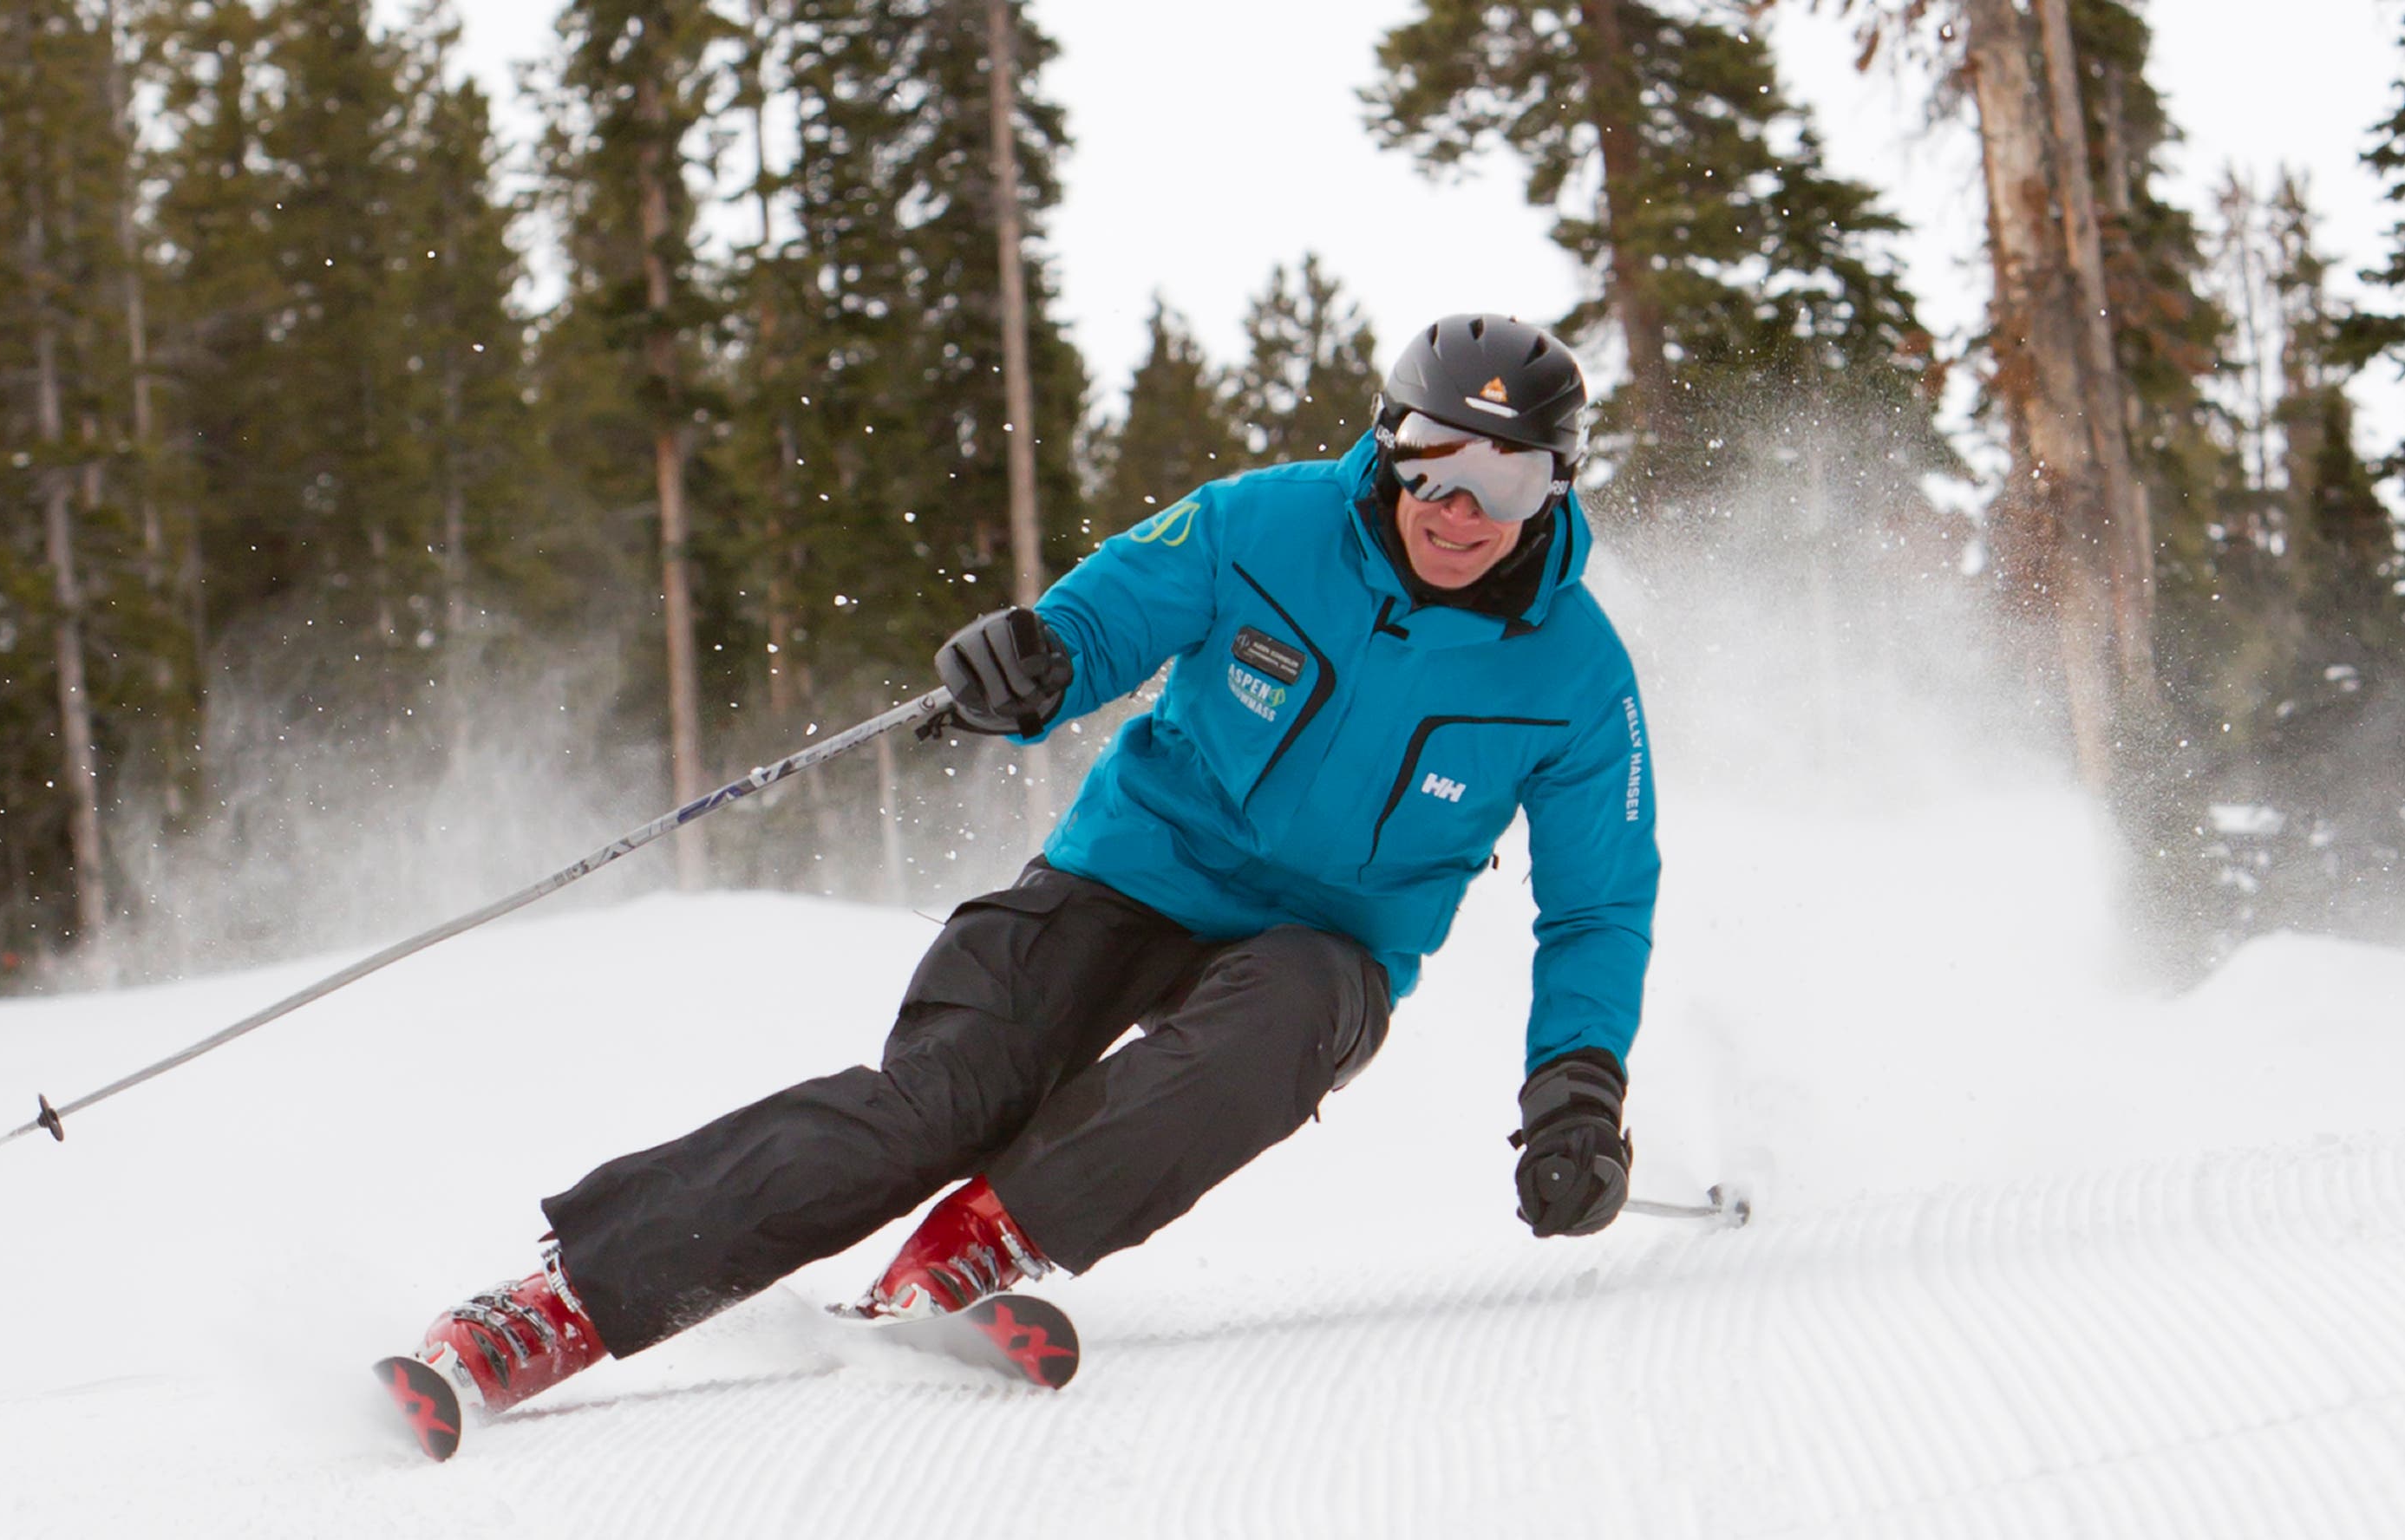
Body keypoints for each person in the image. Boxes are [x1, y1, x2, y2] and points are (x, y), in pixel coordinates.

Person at [395, 313, 1659, 1426]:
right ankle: (552, 1306)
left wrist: (1578, 1087)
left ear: (1557, 489)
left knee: (1271, 1031)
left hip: (1326, 948)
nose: (1462, 509)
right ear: (1389, 442)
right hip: (1130, 874)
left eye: (1509, 477)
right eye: (1438, 460)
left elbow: (1598, 900)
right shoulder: (1259, 525)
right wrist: (1038, 658)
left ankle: (971, 1253)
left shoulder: (1579, 676)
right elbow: (1109, 614)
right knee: (938, 1104)